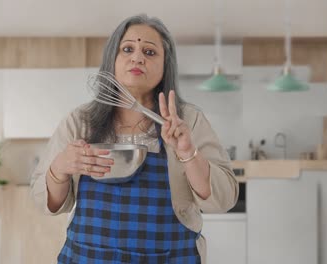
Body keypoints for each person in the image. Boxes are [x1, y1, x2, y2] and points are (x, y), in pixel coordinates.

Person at [30, 14, 238, 264]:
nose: (137, 57)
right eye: (127, 49)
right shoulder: (80, 122)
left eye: (149, 52)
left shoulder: (189, 122)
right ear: (112, 60)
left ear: (165, 66)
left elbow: (224, 199)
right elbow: (46, 202)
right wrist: (60, 168)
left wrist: (188, 153)